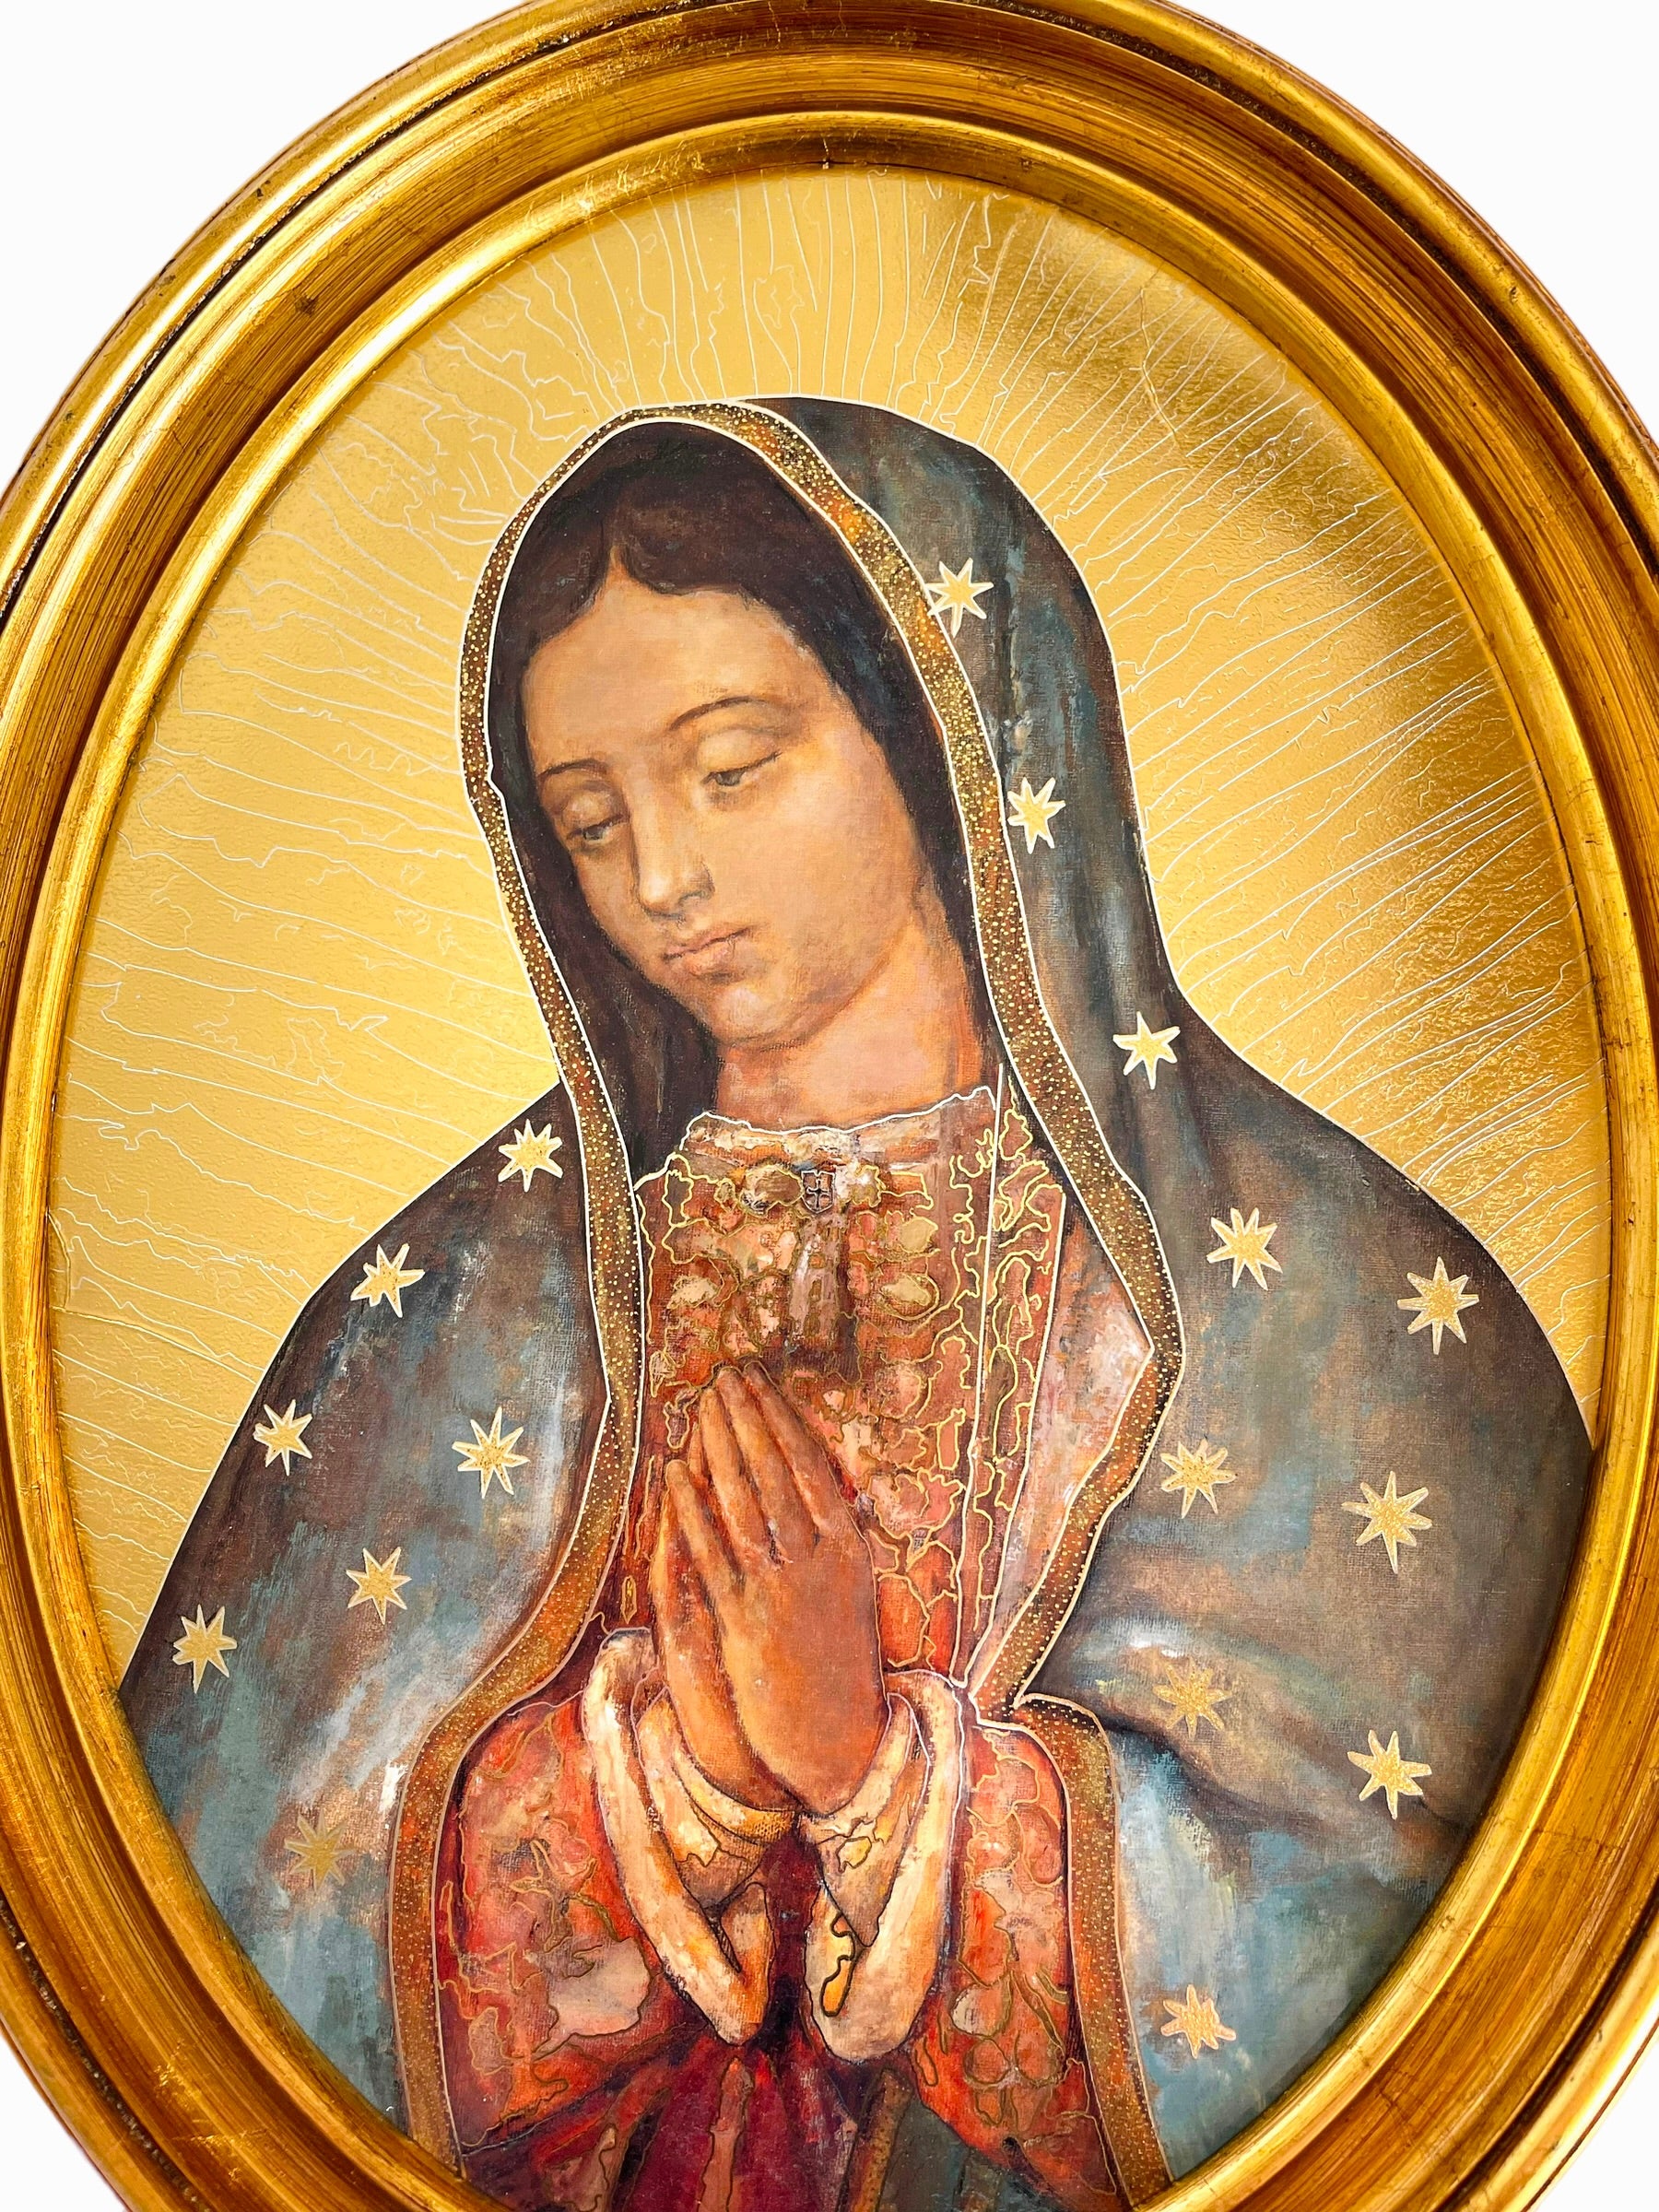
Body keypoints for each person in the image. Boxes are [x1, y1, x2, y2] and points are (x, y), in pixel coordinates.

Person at [123, 402, 1590, 2212]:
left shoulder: (1316, 1296)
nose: (663, 880)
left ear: (943, 735)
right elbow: (234, 1939)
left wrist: (874, 1773)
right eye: (591, 821)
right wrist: (676, 1785)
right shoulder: (459, 1317)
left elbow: (1411, 1939)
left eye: (733, 768)